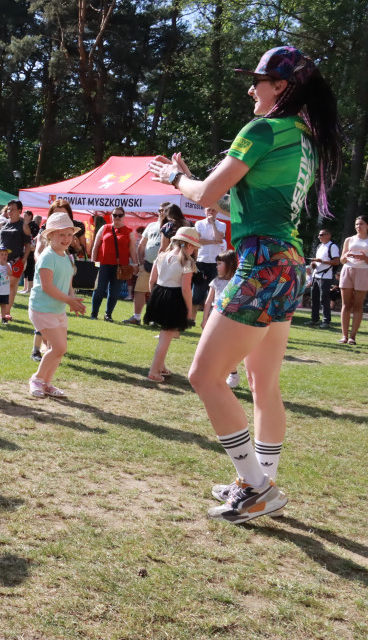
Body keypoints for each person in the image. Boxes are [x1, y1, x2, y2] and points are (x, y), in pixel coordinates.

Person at [149, 45, 344, 523]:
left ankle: (256, 486)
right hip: (289, 264)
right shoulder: (305, 138)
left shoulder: (263, 128)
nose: (250, 87)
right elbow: (231, 195)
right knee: (263, 384)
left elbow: (207, 194)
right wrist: (200, 183)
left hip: (262, 265)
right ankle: (259, 482)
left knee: (203, 375)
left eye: (258, 79)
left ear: (282, 87)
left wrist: (177, 178)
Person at [28, 212, 87, 398]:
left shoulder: (67, 257)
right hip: (42, 309)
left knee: (59, 350)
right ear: (50, 235)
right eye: (62, 234)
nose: (67, 239)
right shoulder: (47, 257)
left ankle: (47, 383)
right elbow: (47, 287)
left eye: (70, 234)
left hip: (58, 309)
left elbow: (68, 285)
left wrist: (73, 299)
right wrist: (69, 300)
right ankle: (37, 379)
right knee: (59, 348)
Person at [144, 228, 198, 382]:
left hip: (158, 293)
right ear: (188, 245)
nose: (194, 249)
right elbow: (186, 289)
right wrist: (188, 310)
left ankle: (160, 367)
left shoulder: (161, 255)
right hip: (174, 298)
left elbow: (152, 280)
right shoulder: (186, 261)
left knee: (164, 334)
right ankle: (154, 371)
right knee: (166, 337)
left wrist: (154, 297)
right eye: (193, 246)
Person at [124, 202, 170, 325]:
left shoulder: (172, 227)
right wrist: (141, 262)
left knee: (159, 292)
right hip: (148, 264)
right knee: (139, 290)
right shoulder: (151, 226)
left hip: (164, 266)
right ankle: (136, 317)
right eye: (160, 210)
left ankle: (156, 319)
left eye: (165, 211)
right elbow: (141, 245)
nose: (162, 213)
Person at [90, 206, 138, 321]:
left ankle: (108, 315)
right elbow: (95, 246)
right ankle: (94, 314)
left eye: (119, 215)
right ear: (111, 216)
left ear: (124, 216)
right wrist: (93, 263)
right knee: (99, 289)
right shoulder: (104, 228)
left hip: (120, 266)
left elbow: (132, 249)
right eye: (114, 215)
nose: (117, 217)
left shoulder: (129, 231)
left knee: (114, 292)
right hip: (102, 264)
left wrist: (136, 264)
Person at [201, 250, 241, 388]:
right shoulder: (216, 282)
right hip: (214, 317)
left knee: (225, 349)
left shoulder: (237, 282)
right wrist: (205, 319)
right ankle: (215, 374)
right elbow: (208, 302)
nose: (216, 266)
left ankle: (233, 374)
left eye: (219, 263)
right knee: (211, 347)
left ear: (229, 264)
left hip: (229, 320)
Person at [0, 200, 33, 316]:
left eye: (13, 209)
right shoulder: (2, 224)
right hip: (1, 260)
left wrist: (23, 260)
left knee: (11, 285)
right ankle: (3, 311)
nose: (9, 211)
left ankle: (6, 312)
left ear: (19, 211)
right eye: (8, 209)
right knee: (1, 285)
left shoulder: (24, 226)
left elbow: (28, 245)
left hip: (16, 260)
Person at [193, 207, 228, 320]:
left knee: (214, 293)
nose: (211, 213)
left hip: (215, 263)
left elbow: (219, 238)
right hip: (201, 261)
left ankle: (210, 320)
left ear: (217, 212)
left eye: (213, 210)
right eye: (209, 210)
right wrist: (214, 241)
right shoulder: (199, 223)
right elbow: (198, 240)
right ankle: (191, 319)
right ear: (205, 211)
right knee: (197, 292)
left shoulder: (221, 224)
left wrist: (213, 224)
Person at [338, 215, 368, 344]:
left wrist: (364, 258)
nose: (358, 226)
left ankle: (352, 337)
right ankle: (344, 336)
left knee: (357, 305)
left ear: (367, 225)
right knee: (346, 304)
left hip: (363, 271)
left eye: (361, 224)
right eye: (356, 224)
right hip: (348, 270)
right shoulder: (349, 240)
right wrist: (347, 255)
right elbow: (342, 260)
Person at [308, 228, 341, 328]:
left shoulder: (332, 246)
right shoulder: (320, 246)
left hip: (325, 276)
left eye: (322, 235)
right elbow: (318, 261)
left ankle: (326, 321)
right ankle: (314, 319)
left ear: (329, 235)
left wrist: (322, 261)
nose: (319, 237)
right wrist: (314, 264)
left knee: (324, 299)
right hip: (316, 275)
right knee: (314, 299)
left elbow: (336, 262)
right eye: (319, 235)